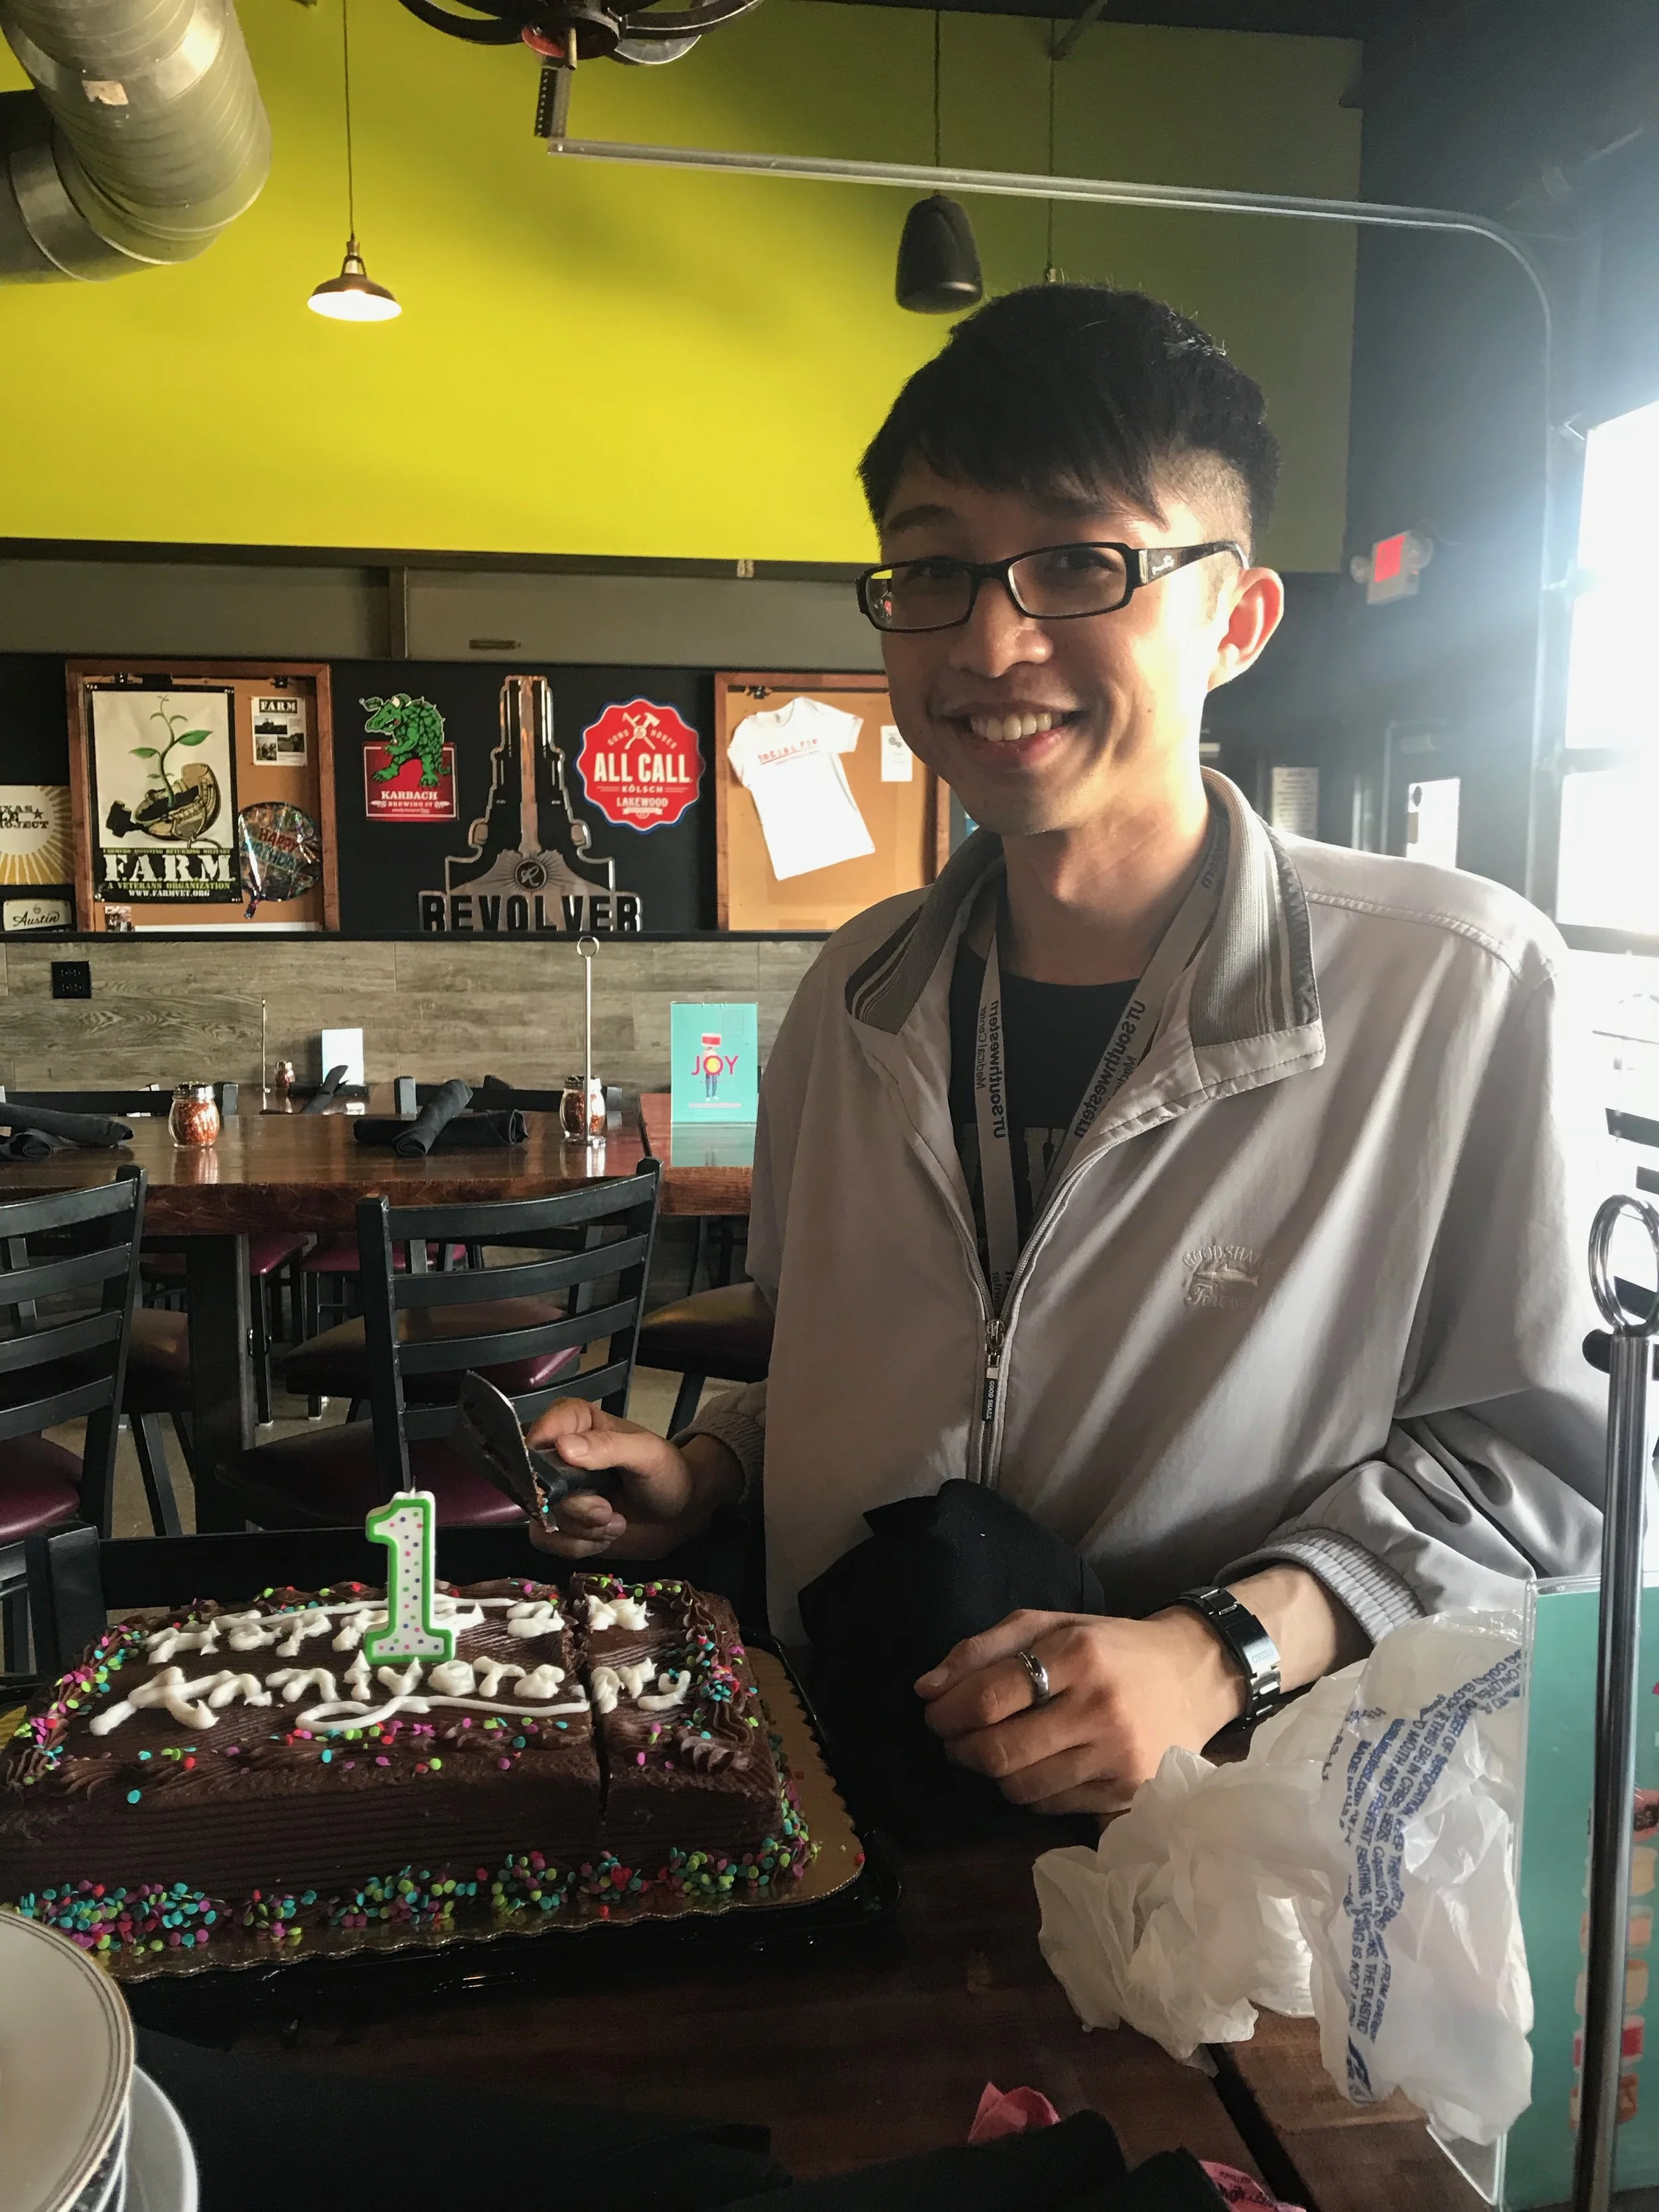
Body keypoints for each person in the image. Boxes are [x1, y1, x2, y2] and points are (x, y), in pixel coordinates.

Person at [530, 282, 1606, 1815]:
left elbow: (1552, 1474)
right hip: (847, 1792)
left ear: (1235, 617)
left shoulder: (1455, 985)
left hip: (1230, 1850)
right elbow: (852, 1355)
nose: (987, 636)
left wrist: (1224, 1643)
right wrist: (708, 1471)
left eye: (1078, 562)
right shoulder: (858, 990)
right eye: (930, 568)